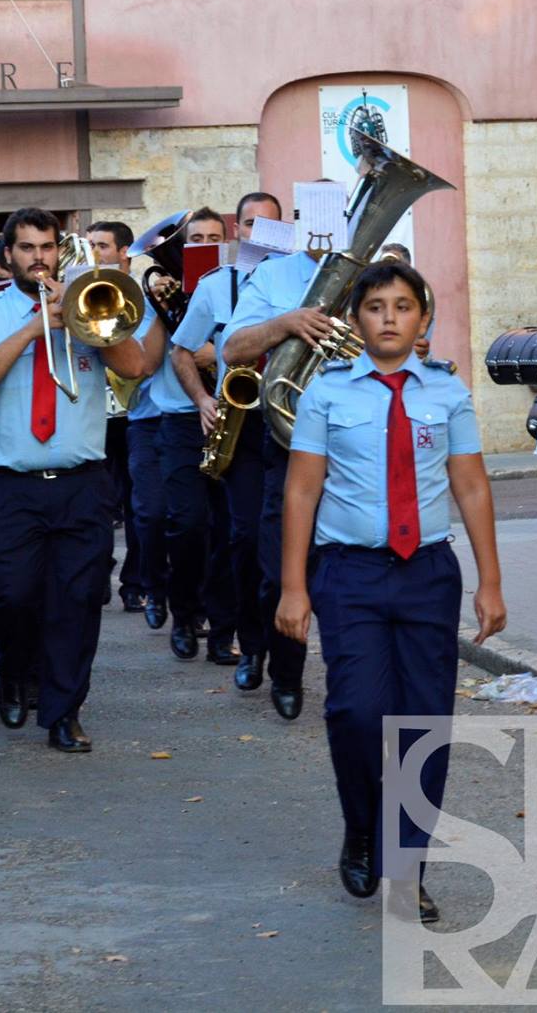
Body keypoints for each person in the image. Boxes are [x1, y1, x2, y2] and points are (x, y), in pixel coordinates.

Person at [275, 260, 503, 922]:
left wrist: (490, 580)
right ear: (356, 320)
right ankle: (362, 827)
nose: (390, 318)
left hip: (428, 574)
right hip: (350, 573)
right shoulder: (326, 394)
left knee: (424, 725)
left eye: (403, 306)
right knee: (356, 711)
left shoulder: (446, 393)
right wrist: (295, 586)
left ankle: (408, 867)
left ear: (422, 318)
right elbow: (302, 489)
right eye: (376, 307)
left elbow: (471, 486)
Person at [0, 208, 147, 752]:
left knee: (78, 600)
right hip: (9, 484)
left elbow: (134, 366)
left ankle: (63, 712)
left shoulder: (86, 302)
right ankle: (14, 671)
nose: (39, 257)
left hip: (82, 481)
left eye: (47, 247)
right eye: (27, 248)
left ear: (60, 251)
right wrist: (33, 328)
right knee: (10, 596)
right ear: (8, 254)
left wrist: (87, 321)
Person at [223, 196, 344, 724]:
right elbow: (232, 347)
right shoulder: (273, 278)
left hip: (356, 442)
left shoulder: (375, 279)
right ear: (300, 227)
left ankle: (350, 677)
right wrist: (289, 322)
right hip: (289, 439)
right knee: (279, 567)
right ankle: (285, 672)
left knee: (347, 572)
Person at [175, 192, 282, 688]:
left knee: (284, 543)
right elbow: (180, 352)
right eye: (250, 224)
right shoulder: (215, 286)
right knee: (242, 537)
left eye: (270, 226)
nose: (258, 233)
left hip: (289, 422)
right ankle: (247, 640)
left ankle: (281, 648)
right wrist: (201, 399)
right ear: (236, 230)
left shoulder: (304, 282)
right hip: (240, 423)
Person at [126, 211, 229, 660]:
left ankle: (223, 627)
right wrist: (166, 312)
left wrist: (215, 352)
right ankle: (185, 614)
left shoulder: (238, 283)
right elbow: (147, 365)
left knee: (227, 528)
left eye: (213, 238)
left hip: (231, 415)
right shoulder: (159, 294)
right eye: (196, 239)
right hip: (181, 420)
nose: (204, 244)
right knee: (186, 523)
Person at [84, 220, 147, 615]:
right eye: (89, 245)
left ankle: (135, 582)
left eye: (102, 246)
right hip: (95, 415)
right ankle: (98, 568)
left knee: (138, 504)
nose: (94, 254)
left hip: (134, 411)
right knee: (97, 502)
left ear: (124, 252)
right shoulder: (79, 289)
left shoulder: (141, 293)